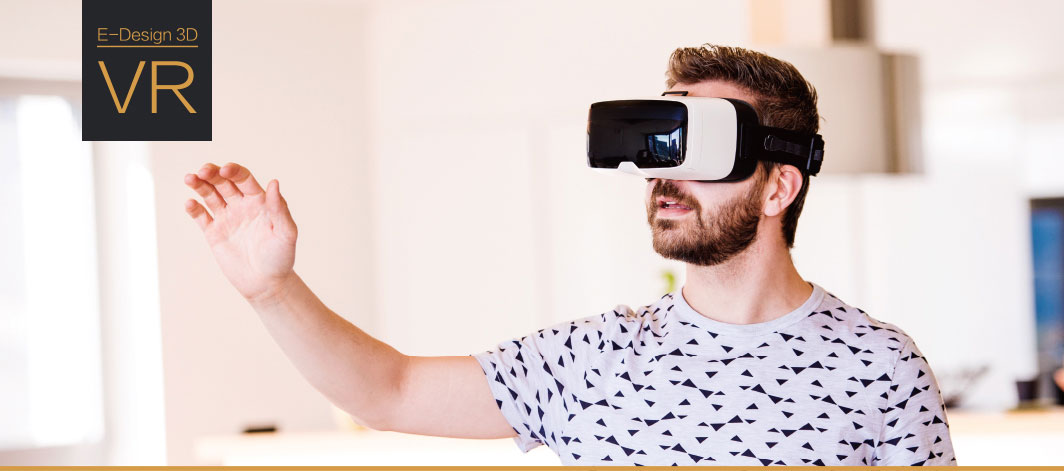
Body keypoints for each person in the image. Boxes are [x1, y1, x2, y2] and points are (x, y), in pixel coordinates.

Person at [182, 44, 956, 466]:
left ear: (779, 185)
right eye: (662, 145)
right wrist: (273, 290)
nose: (664, 176)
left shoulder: (880, 368)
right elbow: (389, 391)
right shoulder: (597, 357)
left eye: (701, 149)